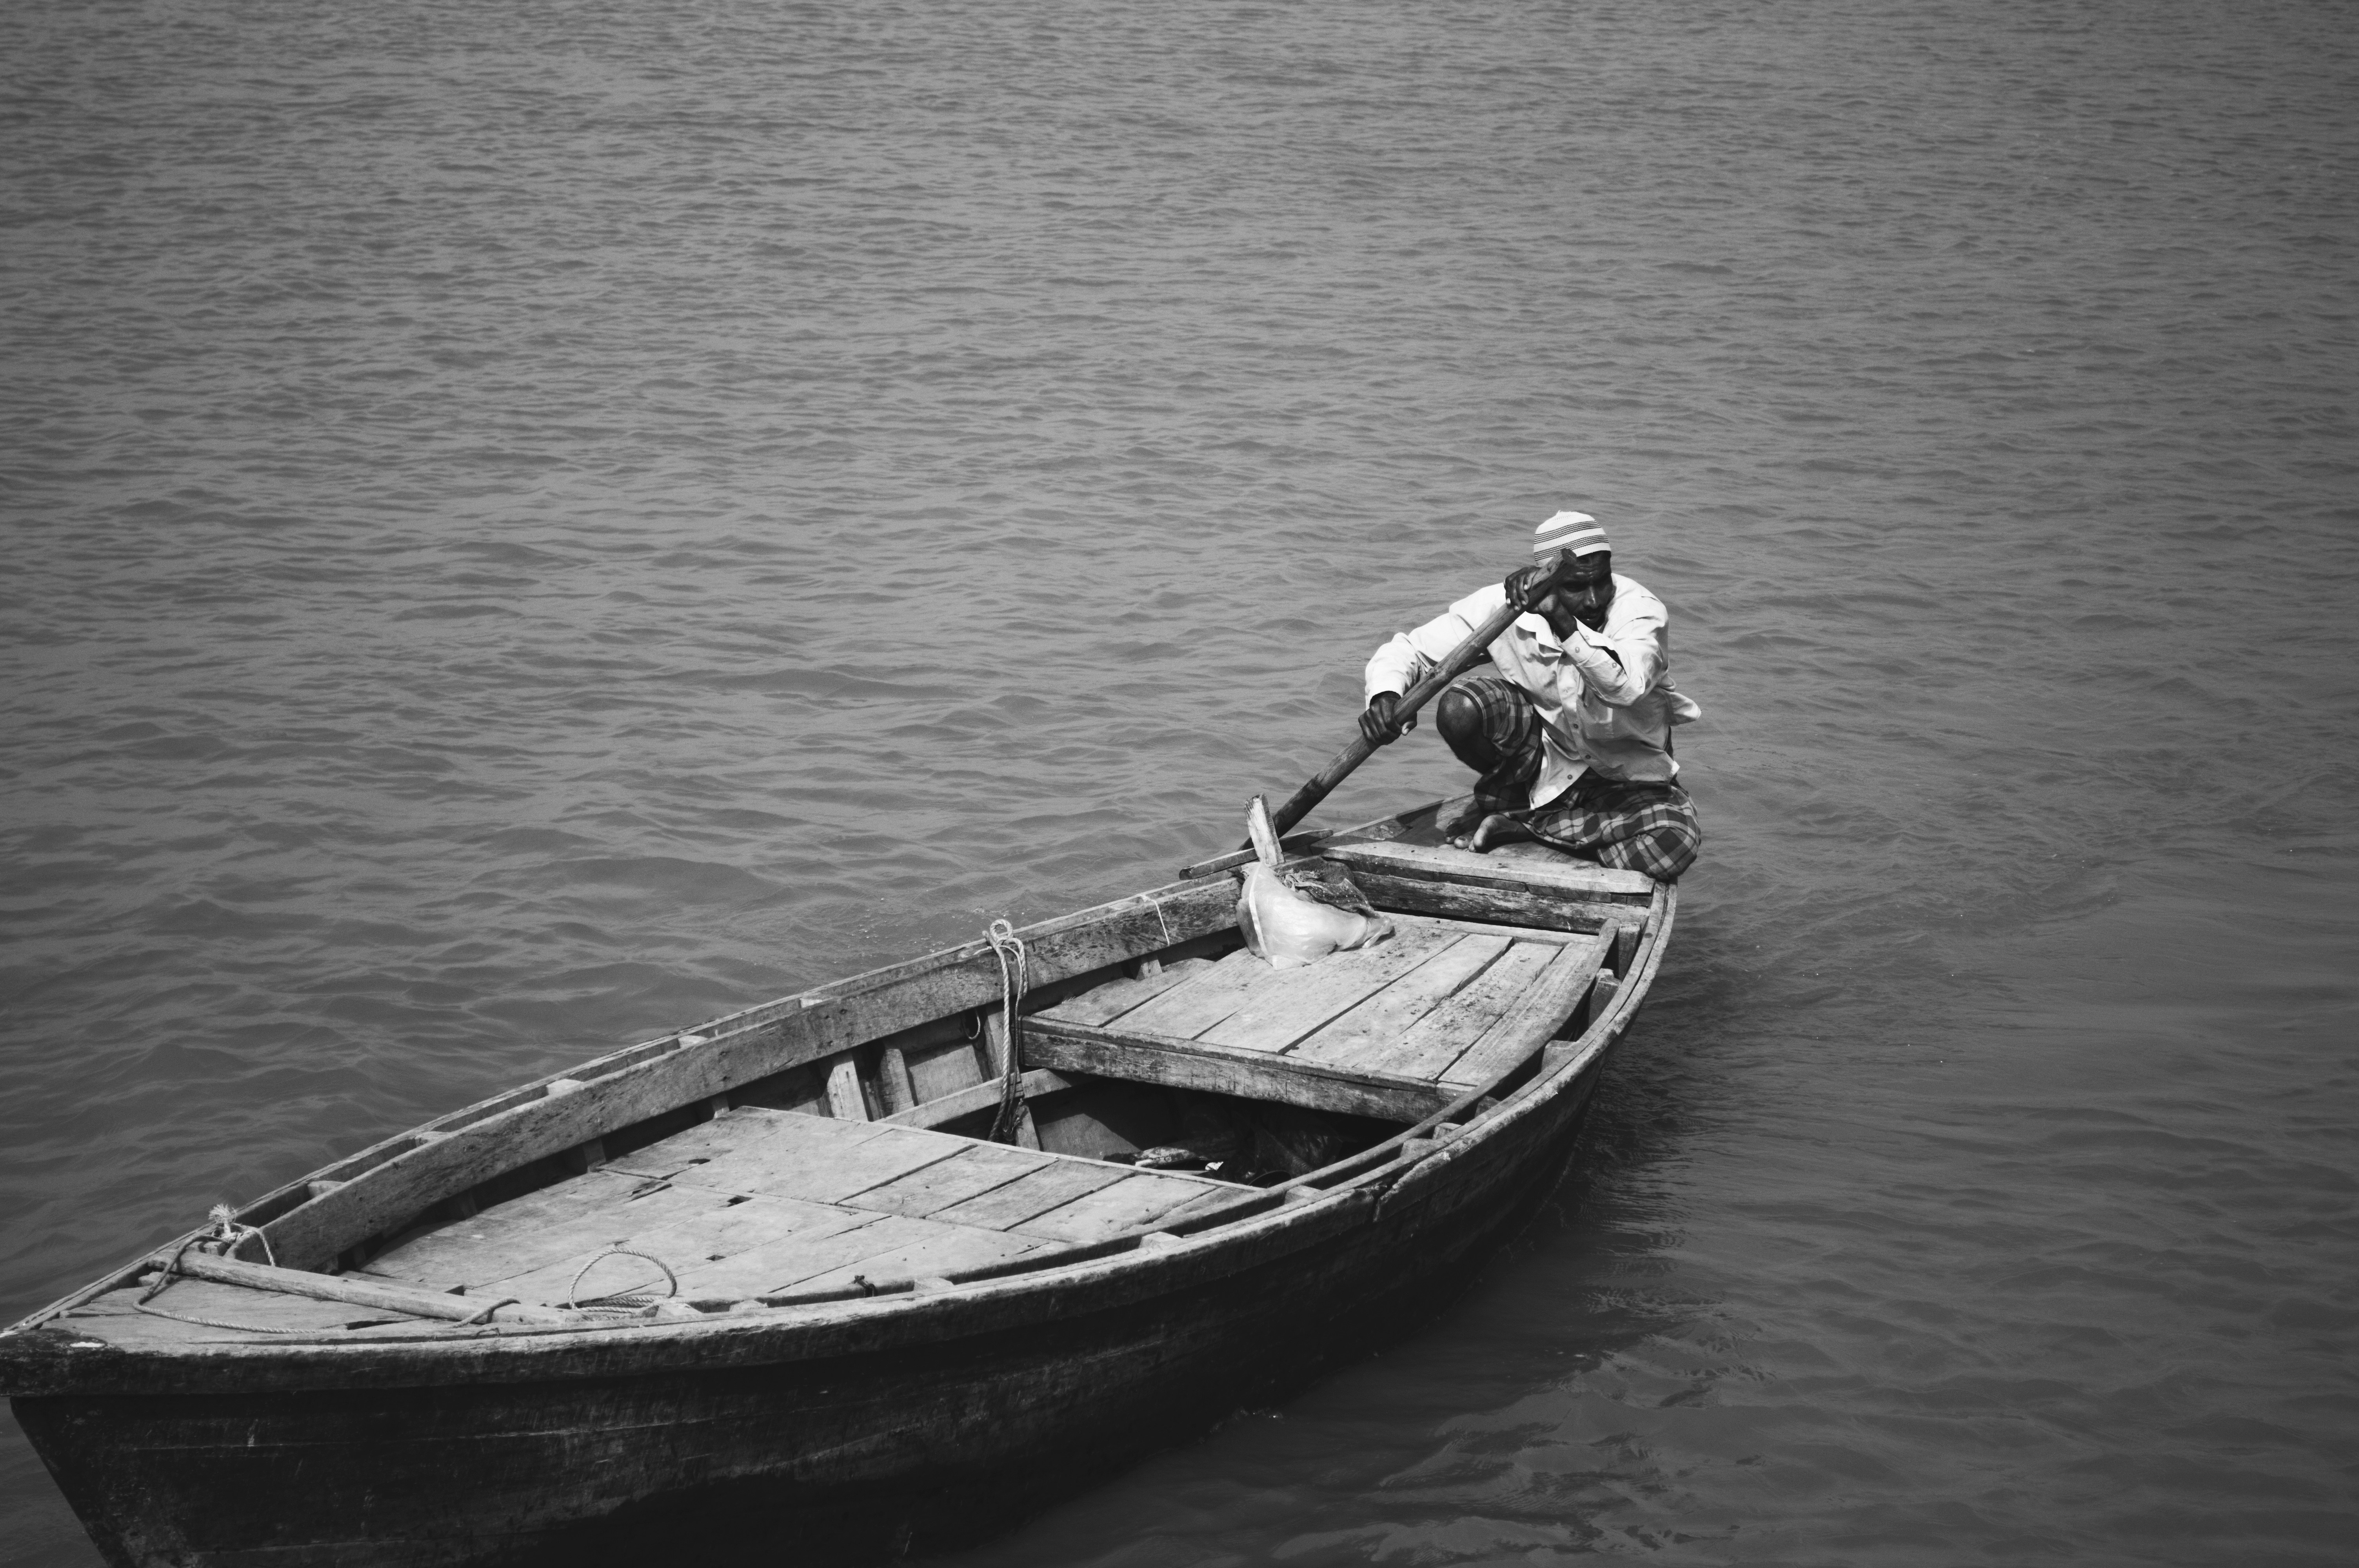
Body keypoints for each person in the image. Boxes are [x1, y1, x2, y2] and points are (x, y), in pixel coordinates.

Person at [1358, 511, 1703, 881]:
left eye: (1601, 582)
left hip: (1629, 776)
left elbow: (1625, 687)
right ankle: (1540, 814)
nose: (1592, 601)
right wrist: (1386, 696)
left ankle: (1527, 827)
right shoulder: (1506, 607)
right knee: (1460, 707)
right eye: (1575, 587)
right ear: (1546, 584)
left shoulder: (1640, 612)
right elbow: (1412, 650)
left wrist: (1563, 620)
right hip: (1547, 765)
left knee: (1673, 842)